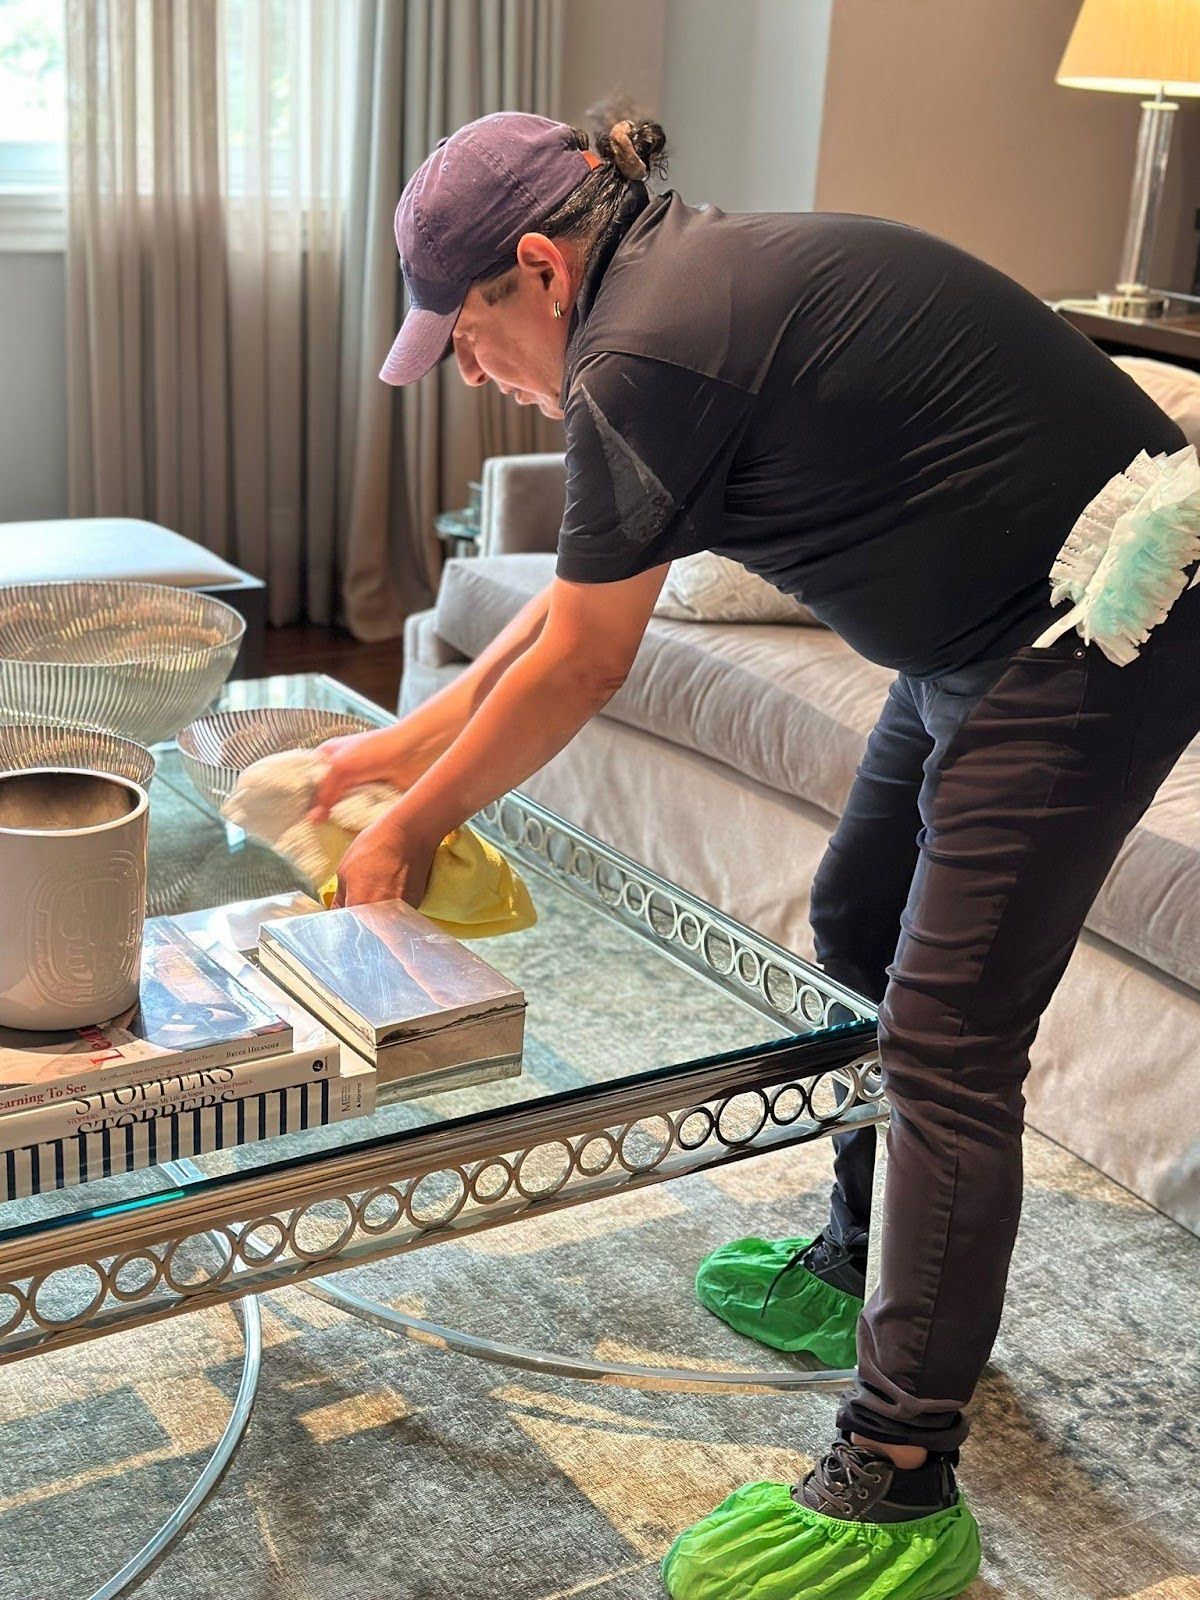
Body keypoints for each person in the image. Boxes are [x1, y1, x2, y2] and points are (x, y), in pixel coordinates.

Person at [310, 109, 1200, 1599]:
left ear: (540, 265)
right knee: (858, 916)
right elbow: (569, 608)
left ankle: (899, 1468)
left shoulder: (639, 356)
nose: (471, 373)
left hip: (1095, 628)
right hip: (981, 629)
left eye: (466, 335)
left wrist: (410, 829)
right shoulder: (655, 299)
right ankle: (864, 1255)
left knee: (947, 1045)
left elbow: (585, 666)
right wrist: (399, 755)